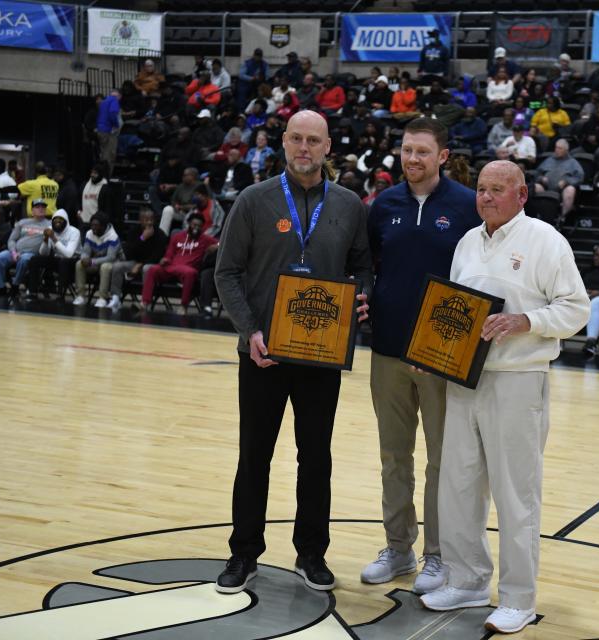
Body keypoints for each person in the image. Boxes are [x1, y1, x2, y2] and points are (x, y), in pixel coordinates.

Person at [419, 160, 590, 635]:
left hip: (517, 379)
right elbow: (455, 311)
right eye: (481, 189)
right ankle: (468, 579)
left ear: (521, 195)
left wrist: (525, 322)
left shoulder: (545, 240)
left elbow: (576, 309)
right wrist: (432, 352)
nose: (487, 197)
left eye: (498, 189)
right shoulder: (468, 242)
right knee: (458, 486)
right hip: (463, 380)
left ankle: (518, 598)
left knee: (517, 494)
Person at [213, 110, 373, 594]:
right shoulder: (254, 200)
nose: (305, 148)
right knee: (254, 455)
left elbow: (363, 268)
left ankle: (311, 553)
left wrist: (361, 297)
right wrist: (251, 331)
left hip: (321, 356)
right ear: (284, 143)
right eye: (297, 139)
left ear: (328, 147)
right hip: (264, 352)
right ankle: (243, 553)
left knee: (316, 457)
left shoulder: (348, 205)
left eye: (314, 140)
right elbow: (226, 273)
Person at [360, 117, 479, 595]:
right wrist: (364, 295)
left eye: (423, 152)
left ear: (443, 156)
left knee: (441, 461)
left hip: (439, 355)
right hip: (387, 349)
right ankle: (398, 547)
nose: (413, 160)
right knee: (394, 456)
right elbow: (368, 266)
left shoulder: (468, 206)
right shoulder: (382, 204)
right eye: (407, 150)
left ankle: (437, 555)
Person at [107, 208, 168, 312]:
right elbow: (130, 252)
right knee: (117, 266)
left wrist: (140, 264)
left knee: (146, 269)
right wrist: (142, 238)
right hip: (135, 261)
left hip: (151, 264)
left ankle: (145, 302)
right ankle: (116, 297)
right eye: (146, 219)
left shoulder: (160, 234)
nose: (149, 222)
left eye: (151, 219)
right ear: (140, 220)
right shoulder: (133, 231)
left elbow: (157, 256)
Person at [0, 198, 50, 295]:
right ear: (32, 211)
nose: (41, 209)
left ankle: (15, 286)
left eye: (43, 207)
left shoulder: (49, 225)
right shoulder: (23, 222)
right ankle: (1, 287)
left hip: (32, 254)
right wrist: (13, 252)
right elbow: (11, 240)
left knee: (24, 259)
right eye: (37, 207)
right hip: (14, 252)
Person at [26, 208, 80, 300]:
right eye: (55, 220)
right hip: (57, 259)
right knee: (35, 260)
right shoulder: (50, 230)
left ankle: (60, 295)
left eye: (60, 220)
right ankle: (32, 291)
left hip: (73, 261)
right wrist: (46, 239)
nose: (57, 222)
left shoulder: (74, 232)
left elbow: (69, 254)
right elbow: (43, 253)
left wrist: (54, 238)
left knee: (64, 262)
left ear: (66, 222)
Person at [73, 212, 122, 308]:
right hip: (96, 262)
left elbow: (111, 257)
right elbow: (86, 251)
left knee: (105, 266)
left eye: (96, 225)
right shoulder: (89, 233)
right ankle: (80, 296)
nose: (93, 228)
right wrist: (84, 258)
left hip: (113, 264)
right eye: (92, 225)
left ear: (103, 226)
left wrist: (91, 261)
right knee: (79, 264)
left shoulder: (113, 236)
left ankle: (102, 298)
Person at [533, 139, 583, 218]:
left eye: (560, 148)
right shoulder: (548, 160)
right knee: (535, 187)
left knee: (570, 190)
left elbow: (579, 177)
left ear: (566, 150)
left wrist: (567, 181)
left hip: (563, 189)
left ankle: (563, 217)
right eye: (556, 148)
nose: (557, 150)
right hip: (546, 187)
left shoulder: (573, 162)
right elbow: (536, 174)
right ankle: (536, 215)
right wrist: (541, 178)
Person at [96, 89, 121, 175]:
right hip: (109, 131)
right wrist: (116, 125)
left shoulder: (103, 102)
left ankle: (101, 174)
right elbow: (112, 114)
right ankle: (106, 176)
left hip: (101, 130)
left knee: (103, 155)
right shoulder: (114, 101)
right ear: (118, 96)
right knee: (110, 155)